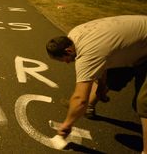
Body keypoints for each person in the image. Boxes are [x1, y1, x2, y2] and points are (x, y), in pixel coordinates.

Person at [46, 15, 147, 153]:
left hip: (142, 49)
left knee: (143, 103)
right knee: (115, 77)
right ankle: (90, 107)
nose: (67, 62)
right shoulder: (74, 35)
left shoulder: (87, 54)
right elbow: (103, 60)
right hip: (137, 44)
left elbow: (80, 99)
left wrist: (66, 126)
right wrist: (102, 84)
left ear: (68, 51)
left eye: (65, 59)